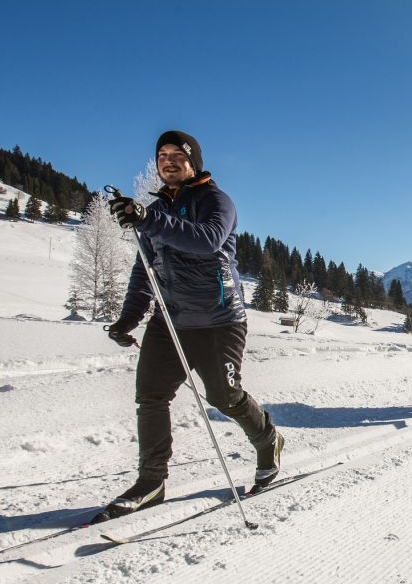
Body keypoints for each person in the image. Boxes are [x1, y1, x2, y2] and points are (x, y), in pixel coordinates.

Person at [98, 130, 283, 520]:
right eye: (161, 155)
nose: (168, 161)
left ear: (193, 161)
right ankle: (151, 482)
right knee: (150, 396)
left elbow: (208, 240)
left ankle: (268, 440)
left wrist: (149, 219)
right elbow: (144, 270)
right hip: (170, 320)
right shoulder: (156, 212)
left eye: (176, 155)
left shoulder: (217, 201)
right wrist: (128, 318)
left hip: (219, 319)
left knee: (223, 397)